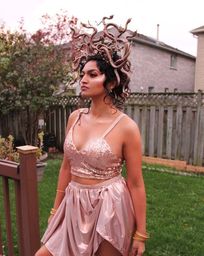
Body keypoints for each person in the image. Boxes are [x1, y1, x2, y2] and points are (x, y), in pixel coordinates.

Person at [35, 16, 148, 256]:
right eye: (82, 74)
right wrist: (57, 209)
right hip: (73, 202)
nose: (83, 80)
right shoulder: (74, 117)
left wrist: (141, 234)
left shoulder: (126, 127)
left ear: (110, 82)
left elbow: (136, 182)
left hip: (110, 207)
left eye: (93, 74)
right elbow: (66, 167)